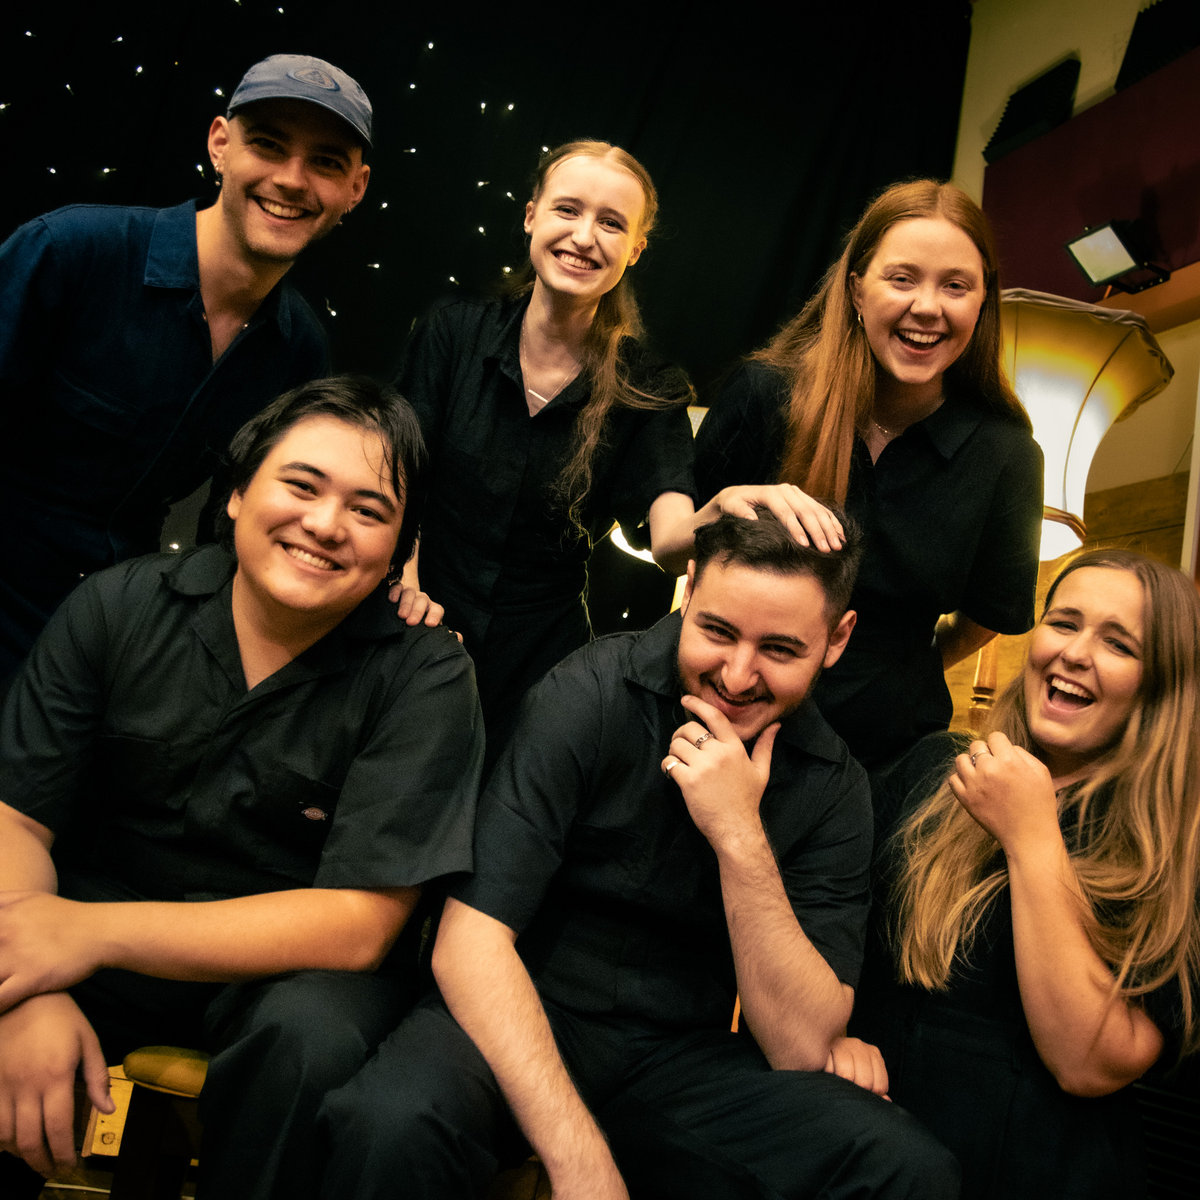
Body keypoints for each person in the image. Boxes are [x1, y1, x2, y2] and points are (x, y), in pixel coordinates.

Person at [319, 511, 960, 1200]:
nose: (737, 676)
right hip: (519, 1010)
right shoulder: (592, 689)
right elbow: (469, 943)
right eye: (717, 632)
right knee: (388, 1122)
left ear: (837, 638)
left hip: (679, 1058)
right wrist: (579, 1161)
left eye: (778, 649)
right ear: (690, 587)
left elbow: (800, 1046)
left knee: (905, 1166)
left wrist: (739, 835)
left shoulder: (835, 787)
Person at [0, 377, 483, 1199]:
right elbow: (17, 818)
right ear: (235, 494)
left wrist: (84, 934)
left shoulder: (425, 675)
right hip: (89, 928)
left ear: (401, 548)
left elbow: (358, 924)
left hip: (284, 971)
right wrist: (26, 987)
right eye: (302, 485)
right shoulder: (119, 605)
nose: (324, 525)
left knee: (311, 1042)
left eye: (368, 510)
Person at [396, 139, 844, 765]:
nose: (584, 237)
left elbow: (669, 543)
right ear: (531, 216)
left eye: (611, 223)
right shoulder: (452, 334)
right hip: (416, 621)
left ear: (635, 249)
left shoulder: (648, 387)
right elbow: (397, 475)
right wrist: (405, 578)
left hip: (540, 664)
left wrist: (725, 507)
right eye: (567, 210)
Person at [0, 53, 374, 681]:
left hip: (108, 645)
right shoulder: (69, 252)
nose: (291, 180)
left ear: (355, 190)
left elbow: (237, 534)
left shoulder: (300, 349)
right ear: (220, 145)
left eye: (326, 162)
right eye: (268, 145)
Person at [847, 548, 1200, 1199]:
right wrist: (830, 1037)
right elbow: (832, 927)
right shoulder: (934, 767)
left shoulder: (1171, 849)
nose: (1075, 653)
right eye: (1064, 623)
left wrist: (1032, 836)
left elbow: (1090, 1064)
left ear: (1161, 686)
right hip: (875, 1159)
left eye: (1118, 643)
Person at [695, 179, 1044, 773]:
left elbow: (991, 614)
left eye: (955, 286)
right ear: (857, 289)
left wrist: (896, 668)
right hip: (723, 728)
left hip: (883, 760)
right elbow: (679, 551)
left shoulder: (1008, 456)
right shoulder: (764, 395)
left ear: (984, 301)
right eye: (902, 278)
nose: (928, 307)